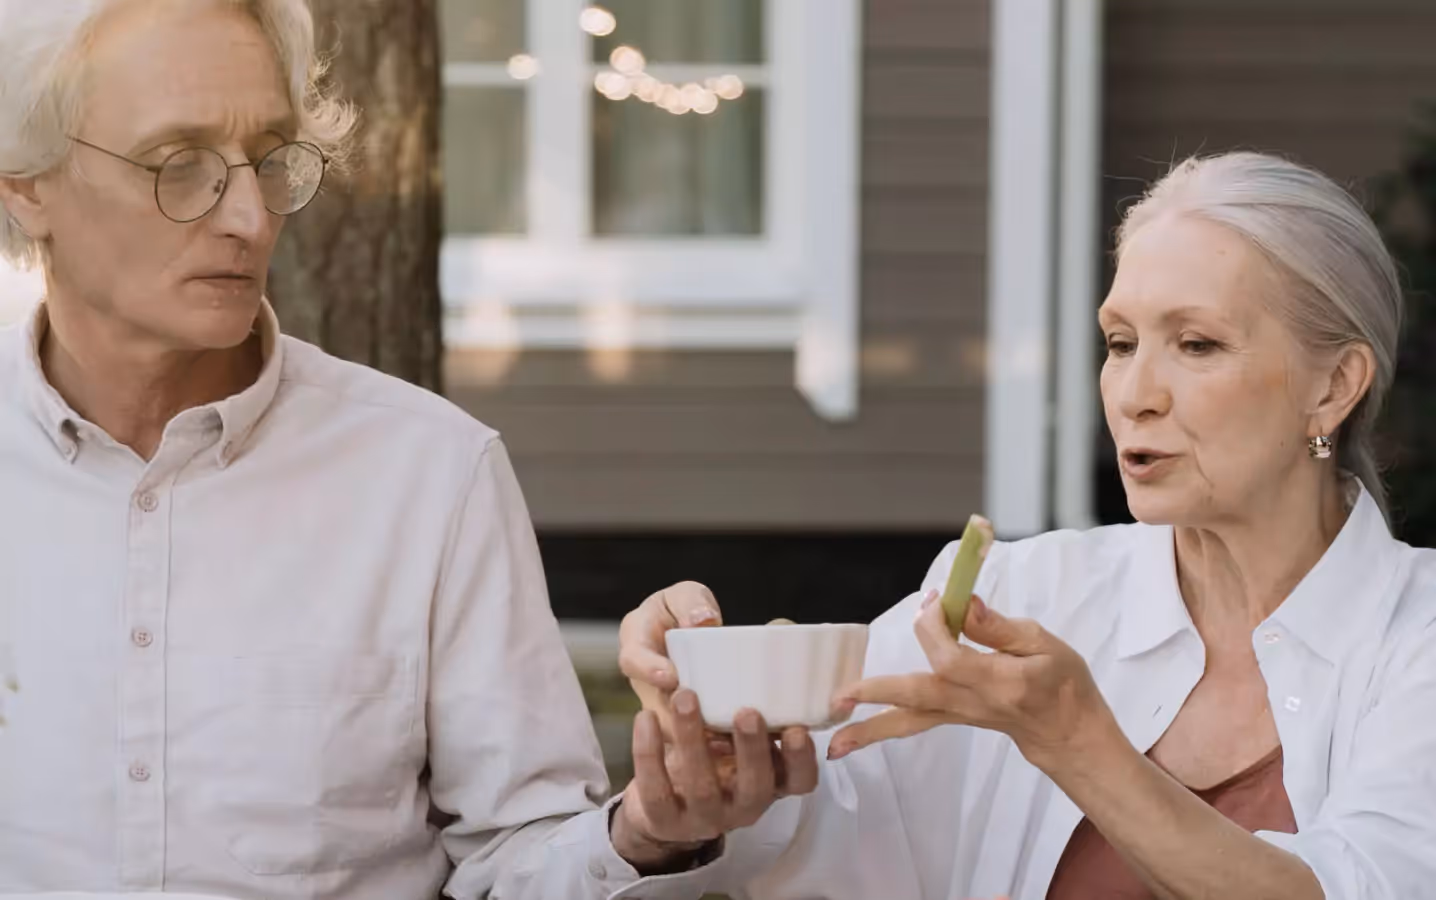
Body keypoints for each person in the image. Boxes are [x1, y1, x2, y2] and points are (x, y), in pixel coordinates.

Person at [0, 1, 800, 897]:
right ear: (25, 181)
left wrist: (646, 833)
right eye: (177, 165)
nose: (250, 218)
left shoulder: (430, 475)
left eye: (268, 160)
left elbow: (515, 858)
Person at [617, 152, 1436, 899]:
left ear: (1334, 387)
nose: (1133, 393)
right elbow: (815, 824)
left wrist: (1079, 743)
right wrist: (686, 805)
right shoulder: (1014, 596)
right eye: (1119, 343)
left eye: (1195, 343)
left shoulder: (1419, 639)